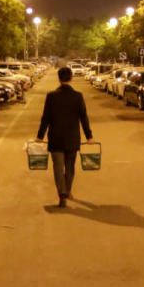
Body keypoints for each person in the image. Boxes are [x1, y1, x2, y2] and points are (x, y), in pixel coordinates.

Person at [36, 66, 94, 207]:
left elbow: (46, 118)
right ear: (71, 78)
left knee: (58, 167)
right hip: (72, 138)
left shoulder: (51, 96)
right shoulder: (78, 96)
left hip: (55, 138)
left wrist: (40, 136)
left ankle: (62, 194)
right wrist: (89, 136)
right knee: (70, 167)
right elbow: (83, 117)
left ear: (59, 78)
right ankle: (67, 190)